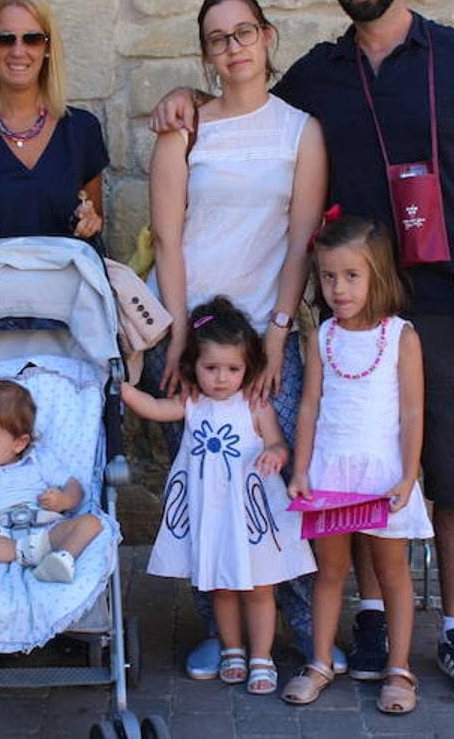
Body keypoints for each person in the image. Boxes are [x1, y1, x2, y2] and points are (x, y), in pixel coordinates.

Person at [150, 0, 454, 705]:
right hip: (348, 313)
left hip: (445, 301)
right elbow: (244, 98)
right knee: (350, 464)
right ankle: (369, 617)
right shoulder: (318, 77)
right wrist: (183, 95)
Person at [142, 0, 327, 678]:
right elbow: (167, 236)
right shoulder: (184, 128)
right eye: (218, 38)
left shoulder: (299, 129)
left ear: (268, 37)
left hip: (263, 337)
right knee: (201, 491)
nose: (234, 46)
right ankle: (219, 636)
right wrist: (182, 339)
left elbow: (302, 241)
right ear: (206, 53)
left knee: (276, 491)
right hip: (191, 339)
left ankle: (301, 635)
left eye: (244, 31)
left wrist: (279, 334)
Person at [124, 297, 316, 695]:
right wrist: (121, 389)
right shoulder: (192, 403)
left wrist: (272, 454)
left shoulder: (255, 405)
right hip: (213, 512)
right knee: (222, 587)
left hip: (252, 513)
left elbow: (280, 446)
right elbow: (154, 407)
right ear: (193, 365)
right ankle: (232, 649)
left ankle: (262, 656)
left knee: (261, 586)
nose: (222, 378)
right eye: (211, 368)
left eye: (233, 369)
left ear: (248, 368)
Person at [283, 215, 433, 714]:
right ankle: (320, 661)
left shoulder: (399, 337)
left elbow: (413, 410)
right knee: (330, 571)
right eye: (328, 277)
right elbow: (309, 406)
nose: (338, 289)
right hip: (330, 473)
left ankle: (399, 669)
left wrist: (408, 473)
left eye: (351, 276)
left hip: (382, 474)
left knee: (392, 572)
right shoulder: (323, 336)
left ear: (377, 275)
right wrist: (301, 469)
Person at [0, 0, 107, 246]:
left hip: (64, 280)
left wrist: (89, 221)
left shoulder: (82, 130)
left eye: (32, 39)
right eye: (6, 39)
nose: (19, 51)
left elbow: (96, 218)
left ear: (47, 47)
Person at [0, 380, 103, 583]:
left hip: (46, 529)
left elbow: (76, 488)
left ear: (19, 443)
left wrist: (64, 500)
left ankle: (63, 558)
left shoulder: (40, 460)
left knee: (92, 523)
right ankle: (22, 553)